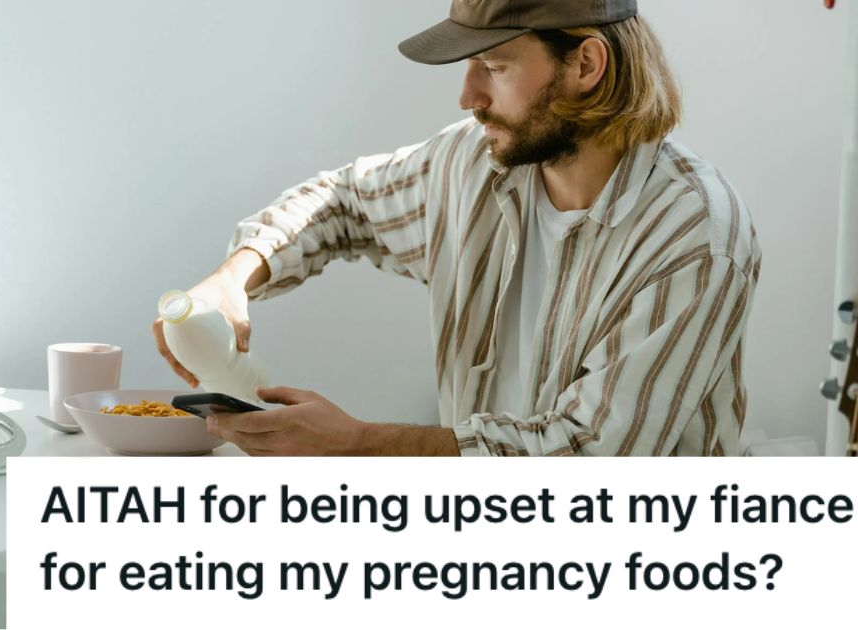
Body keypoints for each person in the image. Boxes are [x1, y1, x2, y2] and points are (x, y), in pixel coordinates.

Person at [152, 0, 761, 456]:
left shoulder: (695, 237)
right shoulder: (474, 162)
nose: (467, 95)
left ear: (587, 64)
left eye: (494, 66)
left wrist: (356, 445)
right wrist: (234, 278)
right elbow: (342, 200)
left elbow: (586, 460)